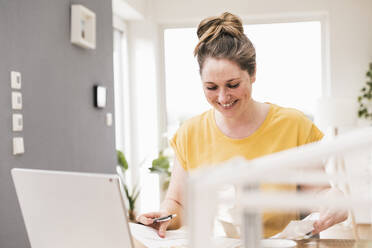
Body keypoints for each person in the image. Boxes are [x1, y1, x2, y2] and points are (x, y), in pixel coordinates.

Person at [136, 12, 347, 238]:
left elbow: (317, 194)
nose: (223, 97)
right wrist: (163, 217)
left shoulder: (294, 126)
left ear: (253, 72)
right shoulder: (190, 133)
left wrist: (334, 200)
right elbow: (178, 203)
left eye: (233, 84)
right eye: (211, 87)